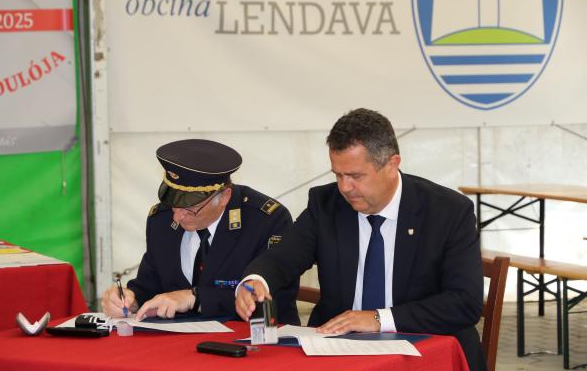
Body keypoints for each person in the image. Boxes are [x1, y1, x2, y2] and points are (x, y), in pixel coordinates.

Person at [235, 109, 485, 370]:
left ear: (391, 165)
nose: (344, 187)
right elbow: (283, 257)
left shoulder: (447, 211)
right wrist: (256, 280)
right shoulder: (326, 204)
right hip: (340, 352)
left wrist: (378, 319)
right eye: (338, 175)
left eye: (355, 176)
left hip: (425, 352)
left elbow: (464, 303)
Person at [102, 139, 300, 325]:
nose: (177, 217)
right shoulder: (160, 220)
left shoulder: (265, 221)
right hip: (178, 341)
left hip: (248, 340)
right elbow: (150, 283)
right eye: (173, 205)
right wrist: (130, 299)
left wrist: (196, 299)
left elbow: (272, 298)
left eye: (190, 209)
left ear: (224, 196)